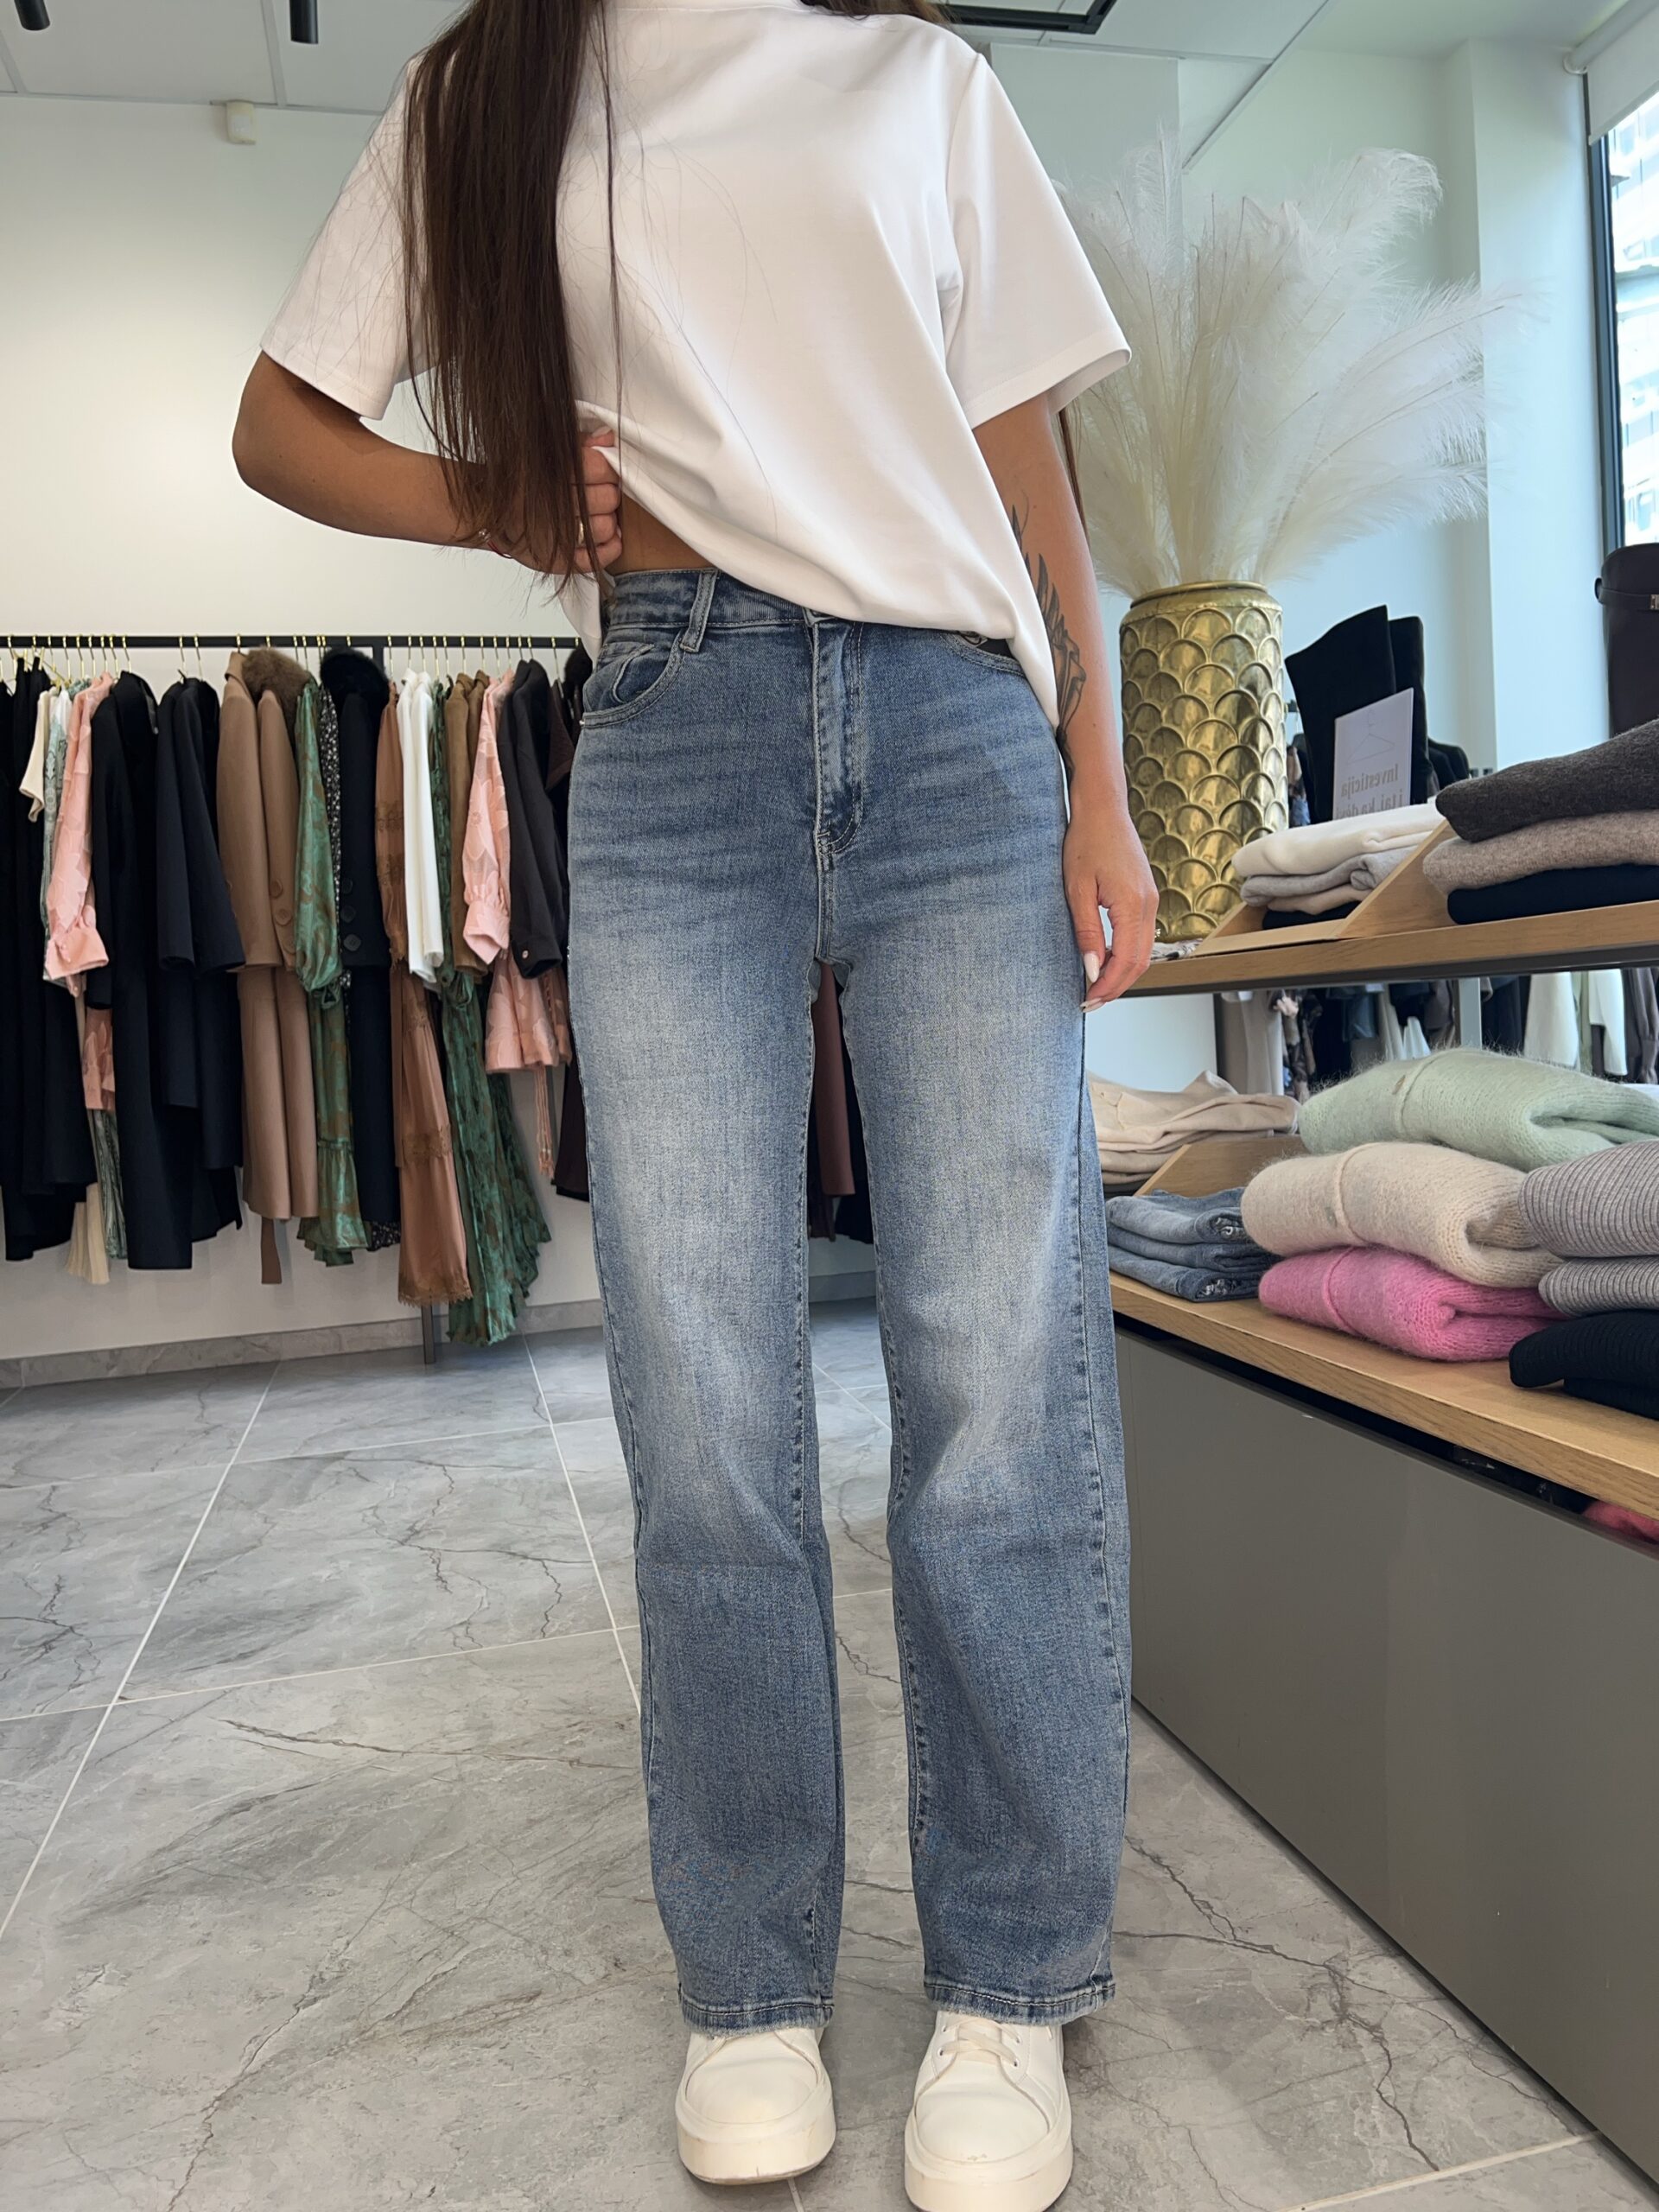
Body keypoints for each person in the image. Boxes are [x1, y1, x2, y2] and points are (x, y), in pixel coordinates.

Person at [234, 2, 1155, 2203]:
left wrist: (1100, 783)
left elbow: (1031, 473)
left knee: (995, 1379)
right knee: (704, 1391)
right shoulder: (494, 86)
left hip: (956, 723)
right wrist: (491, 502)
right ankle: (749, 1980)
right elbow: (279, 425)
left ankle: (1010, 1974)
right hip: (672, 717)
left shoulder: (920, 79)